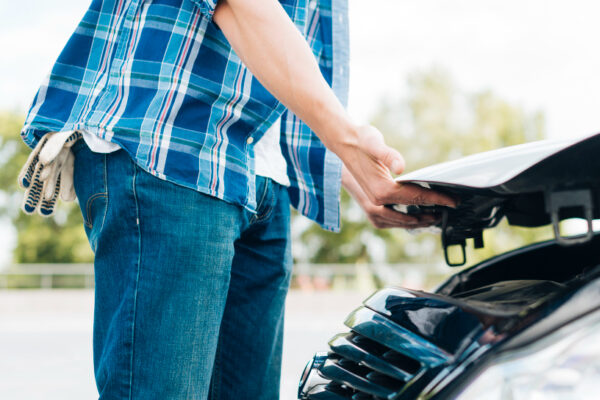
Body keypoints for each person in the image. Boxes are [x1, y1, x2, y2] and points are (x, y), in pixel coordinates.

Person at [18, 0, 455, 398]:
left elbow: (283, 49)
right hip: (171, 146)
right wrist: (348, 141)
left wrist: (346, 168)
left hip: (260, 171)